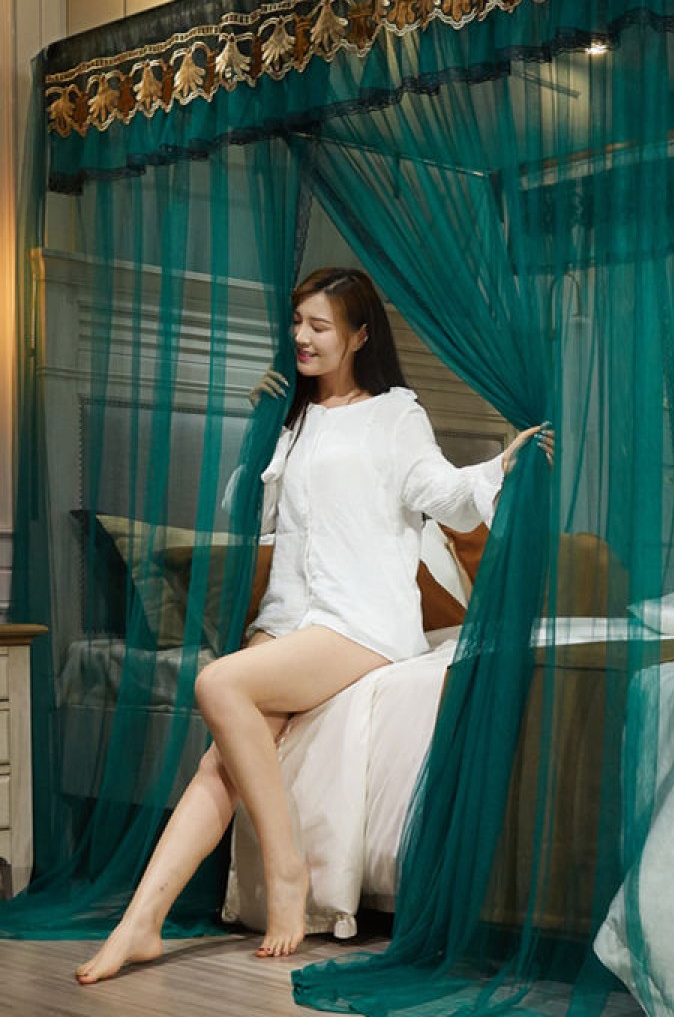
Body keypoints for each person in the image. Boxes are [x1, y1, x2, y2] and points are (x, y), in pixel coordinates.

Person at [75, 267, 551, 984]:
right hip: (290, 617)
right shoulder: (295, 420)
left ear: (359, 336)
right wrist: (260, 432)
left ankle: (287, 871)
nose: (301, 336)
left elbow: (442, 492)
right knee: (219, 764)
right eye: (297, 321)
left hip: (359, 620)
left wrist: (501, 465)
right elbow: (255, 513)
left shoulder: (396, 413)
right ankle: (139, 924)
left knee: (219, 684)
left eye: (319, 325)